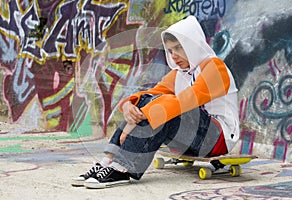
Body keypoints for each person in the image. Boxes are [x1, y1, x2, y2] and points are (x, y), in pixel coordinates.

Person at [71, 15, 239, 189]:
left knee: (164, 107)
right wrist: (129, 106)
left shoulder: (215, 67)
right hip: (192, 140)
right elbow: (150, 95)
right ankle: (107, 161)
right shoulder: (179, 74)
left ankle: (122, 168)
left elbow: (188, 100)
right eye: (170, 50)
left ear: (193, 44)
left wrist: (145, 113)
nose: (174, 56)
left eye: (179, 48)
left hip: (218, 138)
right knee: (149, 101)